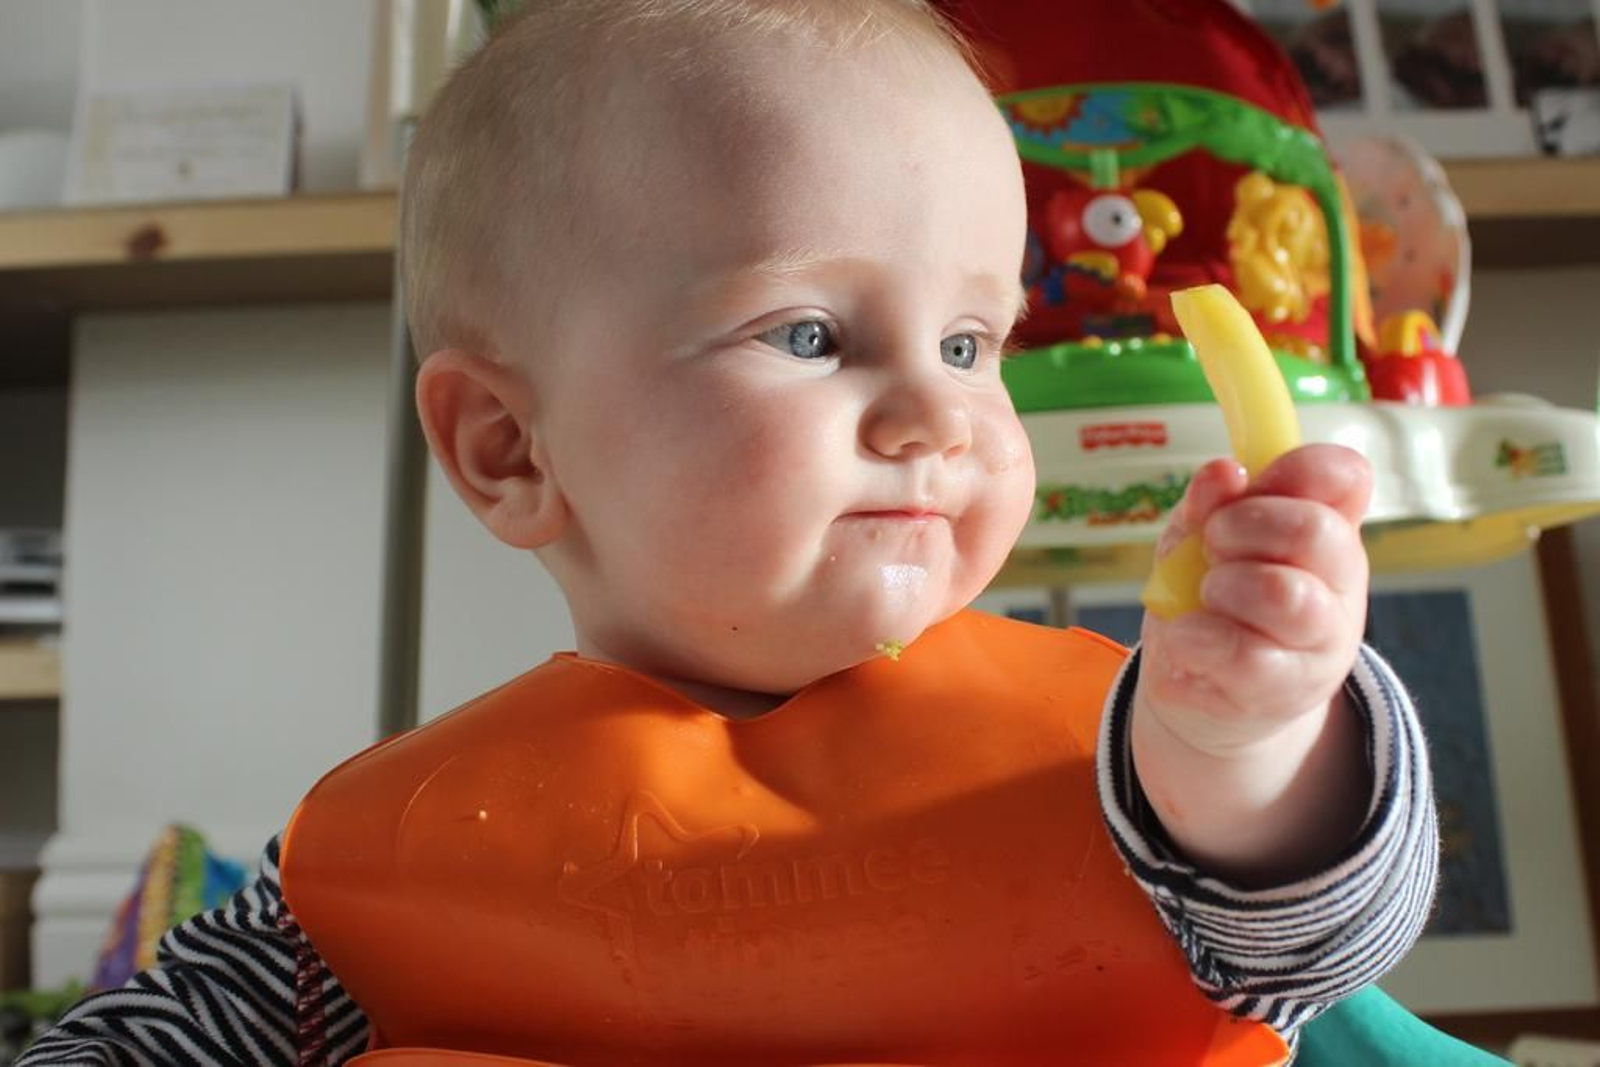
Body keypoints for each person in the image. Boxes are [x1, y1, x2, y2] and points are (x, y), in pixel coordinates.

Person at [20, 1, 1437, 1063]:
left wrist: (1250, 738)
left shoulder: (1143, 763)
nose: (937, 417)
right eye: (812, 334)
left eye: (969, 340)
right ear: (510, 449)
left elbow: (1314, 935)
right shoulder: (382, 867)